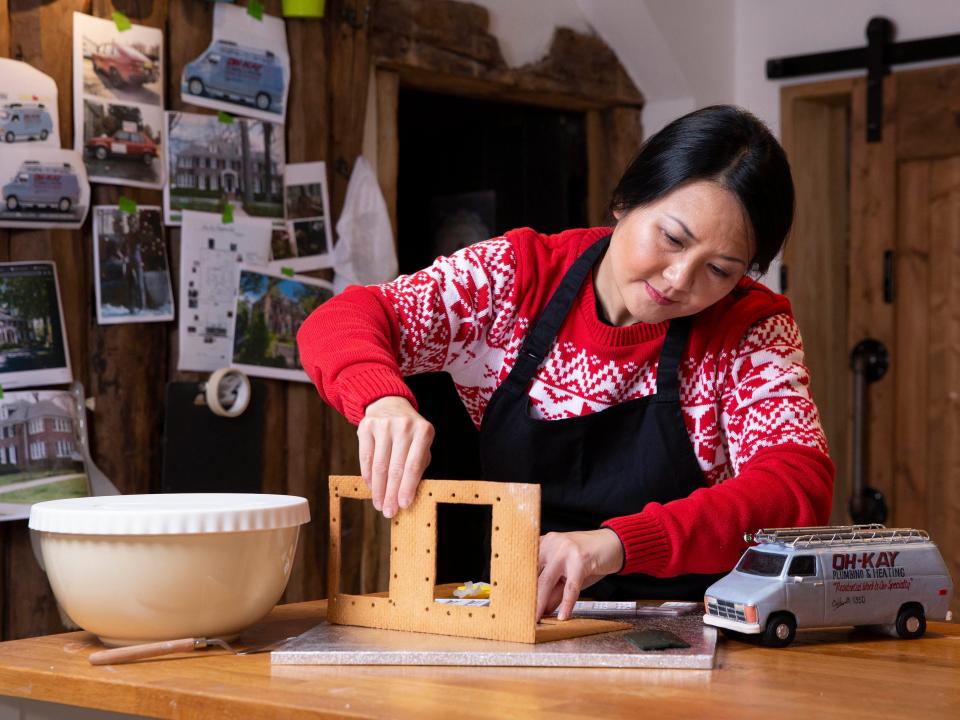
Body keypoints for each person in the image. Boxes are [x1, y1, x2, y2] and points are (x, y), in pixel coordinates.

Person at [297, 105, 834, 622]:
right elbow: (347, 317)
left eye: (719, 269)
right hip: (524, 615)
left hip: (694, 629)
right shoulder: (517, 280)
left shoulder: (749, 326)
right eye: (671, 238)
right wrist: (381, 397)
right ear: (625, 200)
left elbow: (795, 486)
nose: (679, 279)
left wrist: (618, 544)